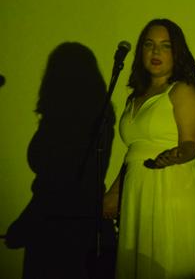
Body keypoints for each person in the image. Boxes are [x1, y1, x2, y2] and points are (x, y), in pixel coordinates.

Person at [103, 19, 195, 278]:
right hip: (137, 189)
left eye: (165, 46)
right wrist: (115, 191)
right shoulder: (135, 97)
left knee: (165, 260)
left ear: (177, 53)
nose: (156, 52)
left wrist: (176, 155)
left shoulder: (182, 91)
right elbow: (134, 153)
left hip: (169, 187)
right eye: (149, 45)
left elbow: (190, 144)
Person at [6, 42, 116, 279]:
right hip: (85, 225)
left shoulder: (63, 122)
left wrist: (25, 224)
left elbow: (58, 183)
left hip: (56, 229)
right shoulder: (100, 115)